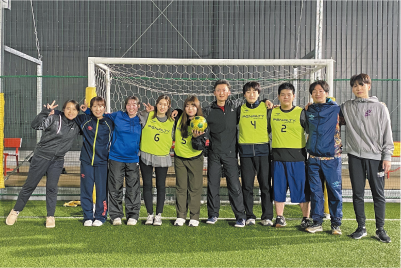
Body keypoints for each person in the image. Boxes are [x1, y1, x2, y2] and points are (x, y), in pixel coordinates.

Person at [6, 100, 80, 228]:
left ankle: (50, 216)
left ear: (78, 112)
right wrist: (45, 112)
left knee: (52, 187)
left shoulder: (77, 125)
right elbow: (35, 125)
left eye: (74, 109)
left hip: (57, 161)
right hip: (41, 157)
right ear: (63, 109)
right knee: (30, 185)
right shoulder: (54, 119)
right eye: (68, 108)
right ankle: (15, 211)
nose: (71, 111)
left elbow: (92, 125)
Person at [340, 73, 394, 243]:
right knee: (357, 193)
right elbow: (328, 108)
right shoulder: (346, 107)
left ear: (368, 86)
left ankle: (380, 229)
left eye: (361, 85)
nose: (358, 88)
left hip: (376, 158)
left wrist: (387, 157)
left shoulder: (380, 107)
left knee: (378, 195)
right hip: (355, 156)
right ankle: (361, 227)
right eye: (355, 85)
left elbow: (387, 133)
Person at [82, 96, 143, 226]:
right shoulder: (118, 116)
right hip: (116, 157)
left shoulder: (142, 119)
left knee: (133, 188)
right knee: (115, 187)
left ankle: (132, 215)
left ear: (138, 106)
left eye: (134, 104)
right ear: (125, 106)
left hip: (133, 159)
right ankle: (116, 215)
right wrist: (87, 110)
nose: (131, 107)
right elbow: (102, 115)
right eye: (128, 104)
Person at [203, 79, 247, 227]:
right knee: (213, 185)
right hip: (214, 154)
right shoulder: (207, 111)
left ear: (229, 92)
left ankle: (240, 216)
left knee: (234, 185)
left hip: (231, 154)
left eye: (224, 90)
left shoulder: (236, 107)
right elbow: (193, 114)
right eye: (218, 90)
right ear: (214, 93)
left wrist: (266, 102)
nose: (221, 92)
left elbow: (252, 103)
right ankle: (213, 214)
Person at [267, 82, 311, 228]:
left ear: (294, 96)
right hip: (278, 157)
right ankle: (279, 217)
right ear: (278, 96)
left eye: (289, 94)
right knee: (278, 189)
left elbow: (311, 131)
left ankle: (306, 218)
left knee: (301, 189)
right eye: (282, 94)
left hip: (297, 158)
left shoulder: (301, 112)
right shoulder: (272, 112)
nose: (286, 97)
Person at [303, 81, 343, 235]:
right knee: (316, 192)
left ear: (326, 93)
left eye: (320, 90)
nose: (317, 93)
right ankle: (317, 222)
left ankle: (335, 224)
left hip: (332, 159)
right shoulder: (308, 110)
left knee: (334, 191)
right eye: (314, 91)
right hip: (313, 158)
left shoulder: (336, 109)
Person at [73, 97, 114, 227]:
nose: (98, 109)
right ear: (91, 108)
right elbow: (70, 115)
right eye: (95, 106)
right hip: (86, 161)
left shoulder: (109, 122)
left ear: (104, 108)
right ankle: (88, 216)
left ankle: (101, 216)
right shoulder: (84, 120)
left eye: (101, 106)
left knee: (102, 190)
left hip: (102, 162)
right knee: (86, 189)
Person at [238, 82, 273, 226]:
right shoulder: (239, 110)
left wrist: (266, 102)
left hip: (263, 152)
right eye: (248, 92)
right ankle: (250, 215)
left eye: (254, 91)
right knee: (247, 186)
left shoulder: (266, 108)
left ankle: (267, 216)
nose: (251, 94)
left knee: (265, 185)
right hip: (245, 153)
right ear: (244, 94)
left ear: (259, 93)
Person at [173, 96, 208, 227]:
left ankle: (194, 217)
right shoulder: (178, 117)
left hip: (195, 158)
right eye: (187, 106)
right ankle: (181, 216)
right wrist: (175, 110)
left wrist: (196, 137)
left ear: (197, 108)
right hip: (179, 159)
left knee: (195, 188)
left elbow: (201, 146)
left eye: (193, 106)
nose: (190, 108)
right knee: (181, 188)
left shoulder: (201, 122)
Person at [140, 95, 175, 226]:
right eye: (160, 103)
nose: (162, 106)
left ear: (168, 106)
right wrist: (147, 111)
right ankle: (149, 214)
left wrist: (178, 111)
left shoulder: (172, 120)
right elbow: (135, 114)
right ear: (156, 104)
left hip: (162, 156)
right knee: (147, 185)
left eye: (165, 104)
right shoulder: (148, 116)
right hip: (146, 154)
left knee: (161, 186)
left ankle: (158, 215)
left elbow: (183, 116)